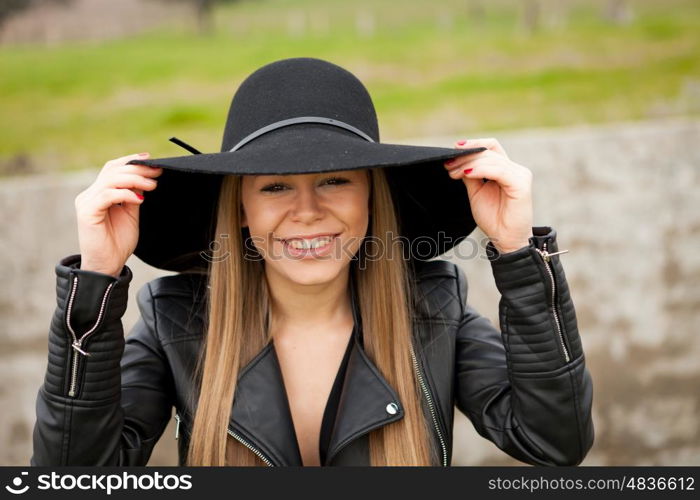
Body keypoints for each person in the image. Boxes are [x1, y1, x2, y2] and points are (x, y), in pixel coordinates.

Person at [30, 57, 594, 467]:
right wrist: (96, 280)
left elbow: (555, 441)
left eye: (334, 180)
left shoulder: (432, 307)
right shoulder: (176, 320)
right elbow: (75, 475)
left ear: (372, 198)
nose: (307, 211)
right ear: (241, 210)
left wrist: (519, 252)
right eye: (275, 186)